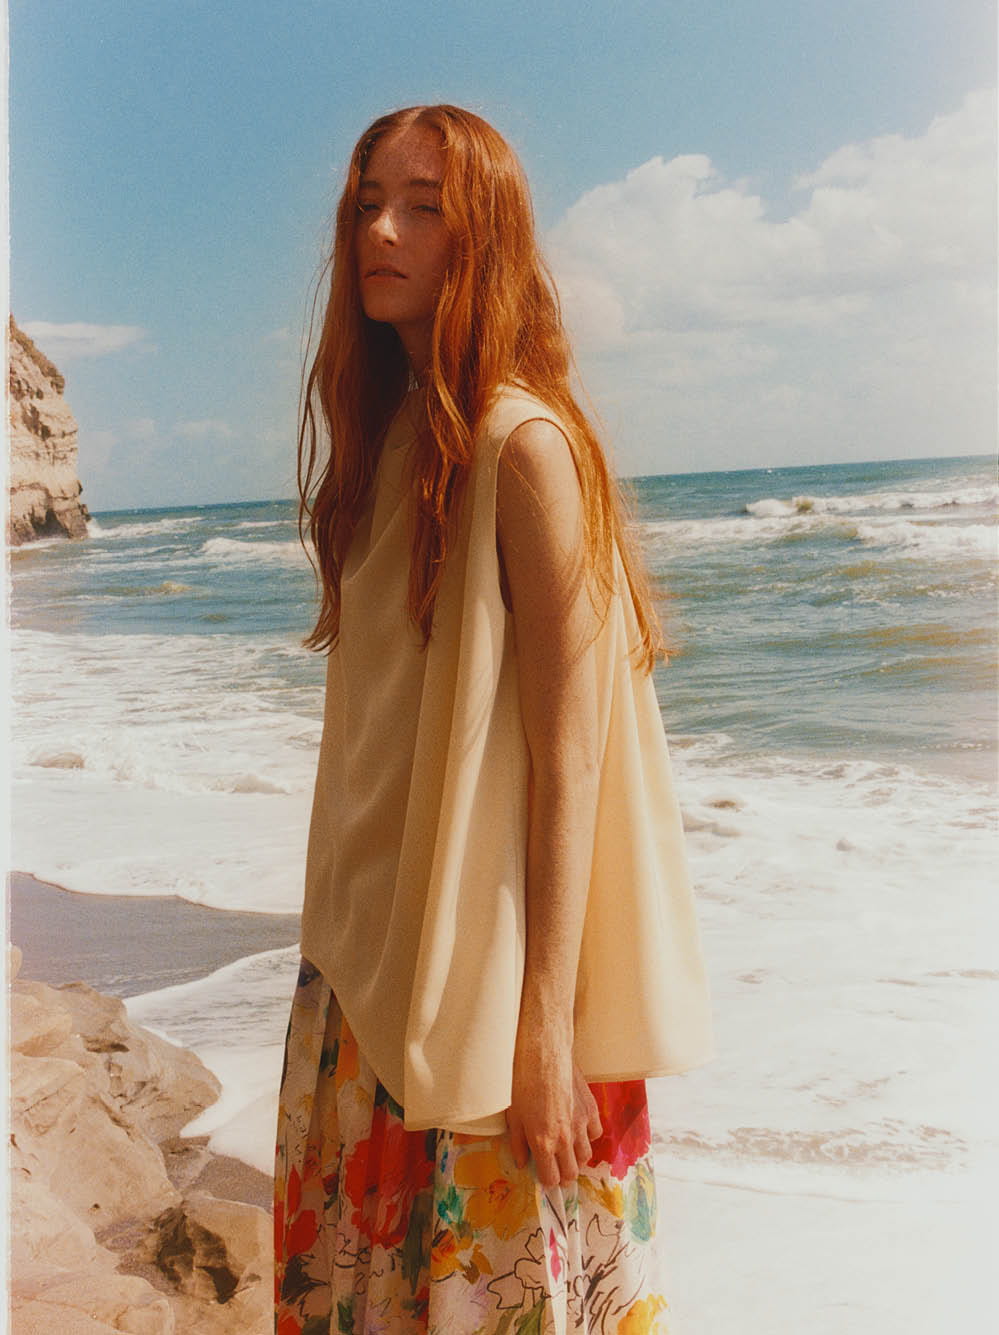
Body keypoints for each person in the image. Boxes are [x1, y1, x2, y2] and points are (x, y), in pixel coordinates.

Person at [274, 104, 714, 1335]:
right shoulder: (389, 438)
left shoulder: (523, 447)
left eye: (422, 207)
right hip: (365, 966)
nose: (382, 231)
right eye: (368, 203)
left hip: (488, 989)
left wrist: (548, 1034)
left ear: (486, 238)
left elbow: (572, 758)